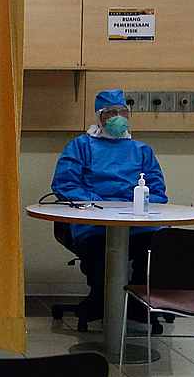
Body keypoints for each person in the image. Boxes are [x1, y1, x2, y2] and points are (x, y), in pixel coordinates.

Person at [51, 89, 168, 326]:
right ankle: (100, 299)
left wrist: (136, 204)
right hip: (94, 224)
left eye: (123, 112)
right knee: (100, 253)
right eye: (111, 112)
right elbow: (65, 184)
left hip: (138, 225)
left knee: (159, 247)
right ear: (99, 117)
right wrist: (99, 204)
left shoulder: (142, 151)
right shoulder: (81, 146)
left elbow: (157, 192)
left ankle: (138, 301)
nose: (118, 117)